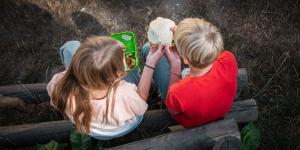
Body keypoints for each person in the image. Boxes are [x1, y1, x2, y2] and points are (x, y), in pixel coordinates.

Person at [47, 36, 165, 140]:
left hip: (95, 132)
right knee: (132, 71)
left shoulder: (59, 86)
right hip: (126, 126)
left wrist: (111, 49)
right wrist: (149, 64)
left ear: (75, 64)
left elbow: (82, 66)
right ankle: (134, 72)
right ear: (118, 75)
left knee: (71, 46)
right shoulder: (124, 94)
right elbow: (141, 101)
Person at [142, 18, 238, 128]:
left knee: (146, 48)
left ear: (186, 60)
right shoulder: (228, 59)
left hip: (190, 121)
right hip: (218, 110)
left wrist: (175, 66)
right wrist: (187, 36)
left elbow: (172, 110)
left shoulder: (178, 92)